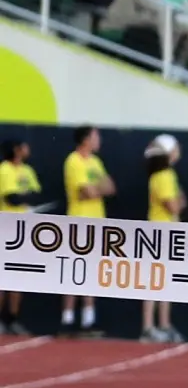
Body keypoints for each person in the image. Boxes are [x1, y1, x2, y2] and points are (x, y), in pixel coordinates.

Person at [62, 125, 113, 337]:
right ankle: (67, 320)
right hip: (78, 221)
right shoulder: (74, 161)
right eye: (95, 136)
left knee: (92, 271)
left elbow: (110, 188)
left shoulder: (95, 162)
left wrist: (96, 190)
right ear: (85, 139)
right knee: (73, 269)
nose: (98, 140)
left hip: (96, 222)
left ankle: (88, 320)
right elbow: (85, 191)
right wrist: (96, 190)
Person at [141, 134, 185, 343]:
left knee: (164, 281)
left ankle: (163, 324)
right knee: (155, 281)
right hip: (161, 231)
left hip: (165, 230)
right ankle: (149, 326)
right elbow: (174, 205)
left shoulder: (164, 175)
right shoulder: (165, 175)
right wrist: (179, 200)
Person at [0, 138, 41, 334]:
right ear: (16, 149)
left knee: (18, 275)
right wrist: (25, 197)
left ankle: (13, 318)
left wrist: (24, 197)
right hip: (5, 227)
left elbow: (36, 194)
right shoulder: (4, 170)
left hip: (24, 229)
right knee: (2, 276)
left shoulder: (28, 170)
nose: (28, 149)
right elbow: (11, 197)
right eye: (24, 146)